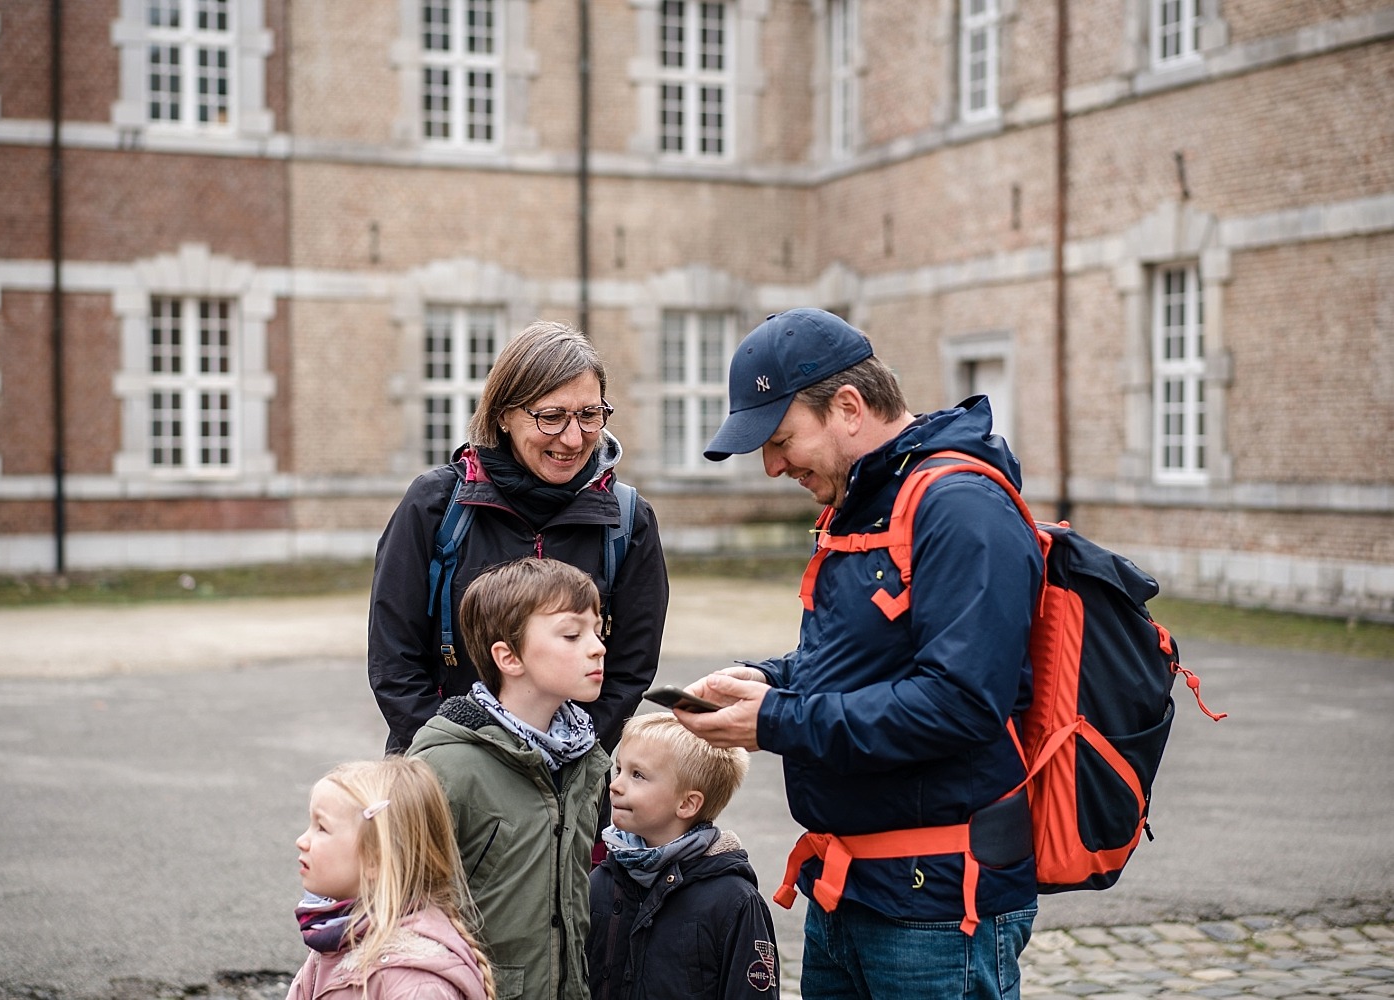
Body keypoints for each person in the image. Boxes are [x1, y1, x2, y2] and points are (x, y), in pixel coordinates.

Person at [674, 308, 1043, 1000]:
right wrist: (765, 680)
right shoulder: (862, 504)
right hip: (847, 894)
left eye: (782, 439)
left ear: (848, 407)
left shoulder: (960, 509)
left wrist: (776, 719)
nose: (773, 466)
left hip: (936, 911)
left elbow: (959, 704)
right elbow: (861, 665)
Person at [369, 319, 669, 756]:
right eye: (551, 417)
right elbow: (394, 660)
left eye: (590, 415)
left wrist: (560, 759)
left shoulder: (627, 520)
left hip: (568, 781)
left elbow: (628, 671)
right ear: (504, 415)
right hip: (443, 772)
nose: (572, 438)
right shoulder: (434, 506)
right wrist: (458, 759)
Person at [409, 557, 613, 1000]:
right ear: (509, 657)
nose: (597, 647)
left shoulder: (586, 758)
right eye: (572, 634)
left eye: (598, 631)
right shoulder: (445, 767)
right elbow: (402, 903)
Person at [587, 712, 780, 1000]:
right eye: (619, 770)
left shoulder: (733, 901)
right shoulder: (600, 882)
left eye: (637, 775)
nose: (615, 785)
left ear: (687, 804)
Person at [289, 756, 495, 1000]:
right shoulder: (334, 939)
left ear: (376, 859)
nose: (301, 841)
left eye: (321, 828)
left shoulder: (417, 986)